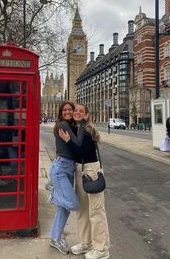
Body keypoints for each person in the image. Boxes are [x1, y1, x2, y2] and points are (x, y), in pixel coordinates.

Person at [59, 103, 110, 259]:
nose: (77, 113)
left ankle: (102, 249)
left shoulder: (86, 130)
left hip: (91, 171)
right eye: (76, 111)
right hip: (80, 169)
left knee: (96, 212)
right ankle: (86, 243)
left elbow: (81, 151)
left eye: (81, 111)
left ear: (87, 115)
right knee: (82, 211)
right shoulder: (78, 128)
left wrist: (68, 141)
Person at [49, 101, 86, 254]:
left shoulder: (70, 126)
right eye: (65, 110)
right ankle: (54, 194)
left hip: (68, 169)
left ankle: (55, 238)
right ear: (61, 112)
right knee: (73, 204)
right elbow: (77, 143)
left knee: (64, 210)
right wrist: (83, 122)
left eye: (70, 109)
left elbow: (74, 147)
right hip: (61, 169)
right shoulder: (63, 125)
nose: (68, 112)